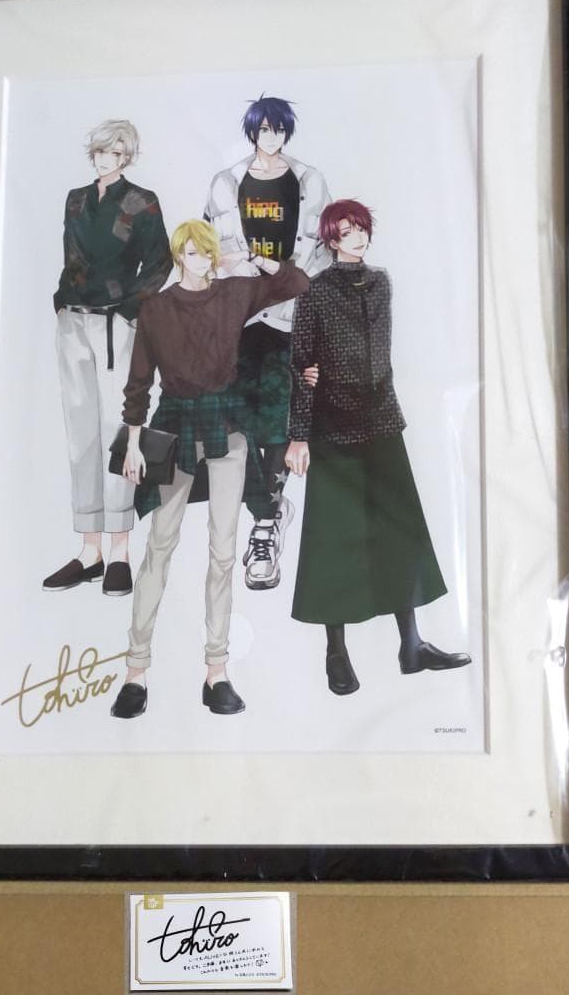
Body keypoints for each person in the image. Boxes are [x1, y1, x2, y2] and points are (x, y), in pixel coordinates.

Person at [109, 219, 310, 719]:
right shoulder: (156, 308)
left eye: (209, 252)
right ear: (180, 255)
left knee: (223, 552)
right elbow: (138, 383)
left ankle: (216, 671)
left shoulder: (233, 292)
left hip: (228, 427)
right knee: (159, 546)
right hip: (174, 426)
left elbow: (297, 282)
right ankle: (135, 671)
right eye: (195, 252)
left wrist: (253, 259)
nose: (204, 260)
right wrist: (132, 443)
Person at [285, 199, 471, 695]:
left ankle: (412, 646)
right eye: (347, 231)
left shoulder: (382, 282)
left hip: (383, 421)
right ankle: (336, 653)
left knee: (399, 531)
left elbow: (381, 353)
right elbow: (301, 365)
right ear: (331, 239)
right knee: (334, 539)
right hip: (332, 427)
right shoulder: (315, 291)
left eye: (361, 228)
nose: (358, 236)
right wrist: (299, 435)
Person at [203, 95, 331, 591]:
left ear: (287, 133)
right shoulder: (226, 182)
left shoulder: (308, 181)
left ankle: (265, 524)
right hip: (237, 316)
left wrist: (288, 286)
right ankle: (268, 509)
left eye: (279, 130)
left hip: (288, 316)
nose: (271, 138)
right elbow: (211, 250)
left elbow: (319, 255)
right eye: (264, 130)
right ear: (252, 132)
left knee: (278, 418)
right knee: (233, 419)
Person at [44, 119, 172, 598]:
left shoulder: (141, 201)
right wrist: (62, 302)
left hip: (115, 324)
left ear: (126, 156)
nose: (105, 158)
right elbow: (71, 257)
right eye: (100, 150)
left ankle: (119, 552)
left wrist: (129, 308)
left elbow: (159, 262)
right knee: (80, 434)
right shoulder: (76, 199)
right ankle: (89, 550)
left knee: (117, 433)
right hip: (73, 321)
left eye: (115, 151)